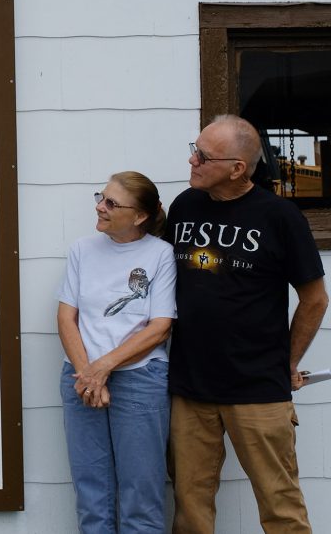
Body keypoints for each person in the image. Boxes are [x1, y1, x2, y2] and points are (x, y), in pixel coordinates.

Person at [167, 115, 328, 534]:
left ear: (238, 168)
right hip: (190, 388)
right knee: (190, 508)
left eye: (202, 155)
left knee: (281, 508)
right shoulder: (185, 206)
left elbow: (314, 299)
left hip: (257, 387)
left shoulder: (280, 217)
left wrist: (286, 361)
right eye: (194, 148)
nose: (192, 160)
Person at [57, 170, 176, 534]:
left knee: (142, 495)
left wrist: (103, 368)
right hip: (80, 377)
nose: (100, 207)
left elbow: (159, 326)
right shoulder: (82, 249)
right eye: (100, 197)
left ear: (139, 216)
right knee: (92, 493)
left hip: (139, 380)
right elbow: (66, 316)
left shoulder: (160, 254)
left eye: (111, 203)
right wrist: (87, 372)